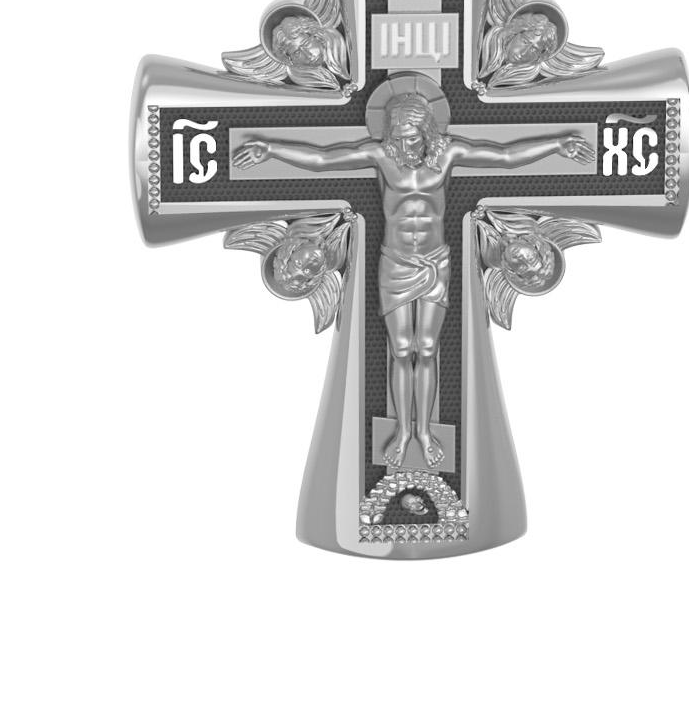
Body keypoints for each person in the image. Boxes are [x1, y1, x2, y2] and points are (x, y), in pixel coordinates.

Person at [233, 91, 593, 468]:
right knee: (401, 349)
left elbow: (504, 156)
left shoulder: (448, 153)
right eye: (399, 138)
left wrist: (556, 145)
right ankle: (403, 432)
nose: (406, 146)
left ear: (426, 131)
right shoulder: (381, 156)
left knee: (428, 347)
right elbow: (323, 160)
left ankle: (425, 431)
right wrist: (270, 150)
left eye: (413, 137)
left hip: (435, 262)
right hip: (396, 262)